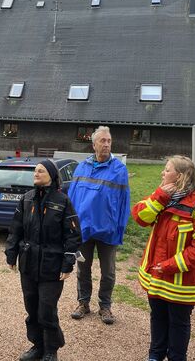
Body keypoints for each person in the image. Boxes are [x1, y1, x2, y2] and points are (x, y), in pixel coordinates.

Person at [132, 155, 195, 361]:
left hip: (181, 284)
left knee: (178, 323)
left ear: (179, 176)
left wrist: (169, 266)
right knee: (157, 318)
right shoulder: (162, 198)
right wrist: (159, 196)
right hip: (157, 278)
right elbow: (140, 218)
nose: (163, 172)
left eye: (167, 169)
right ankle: (155, 356)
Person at [5, 160, 81, 361]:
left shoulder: (62, 201)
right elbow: (16, 229)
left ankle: (51, 350)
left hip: (52, 266)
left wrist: (68, 263)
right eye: (35, 170)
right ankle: (37, 346)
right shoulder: (27, 199)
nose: (36, 173)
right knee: (31, 308)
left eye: (41, 170)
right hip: (28, 264)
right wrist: (11, 254)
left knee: (46, 309)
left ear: (51, 175)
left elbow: (73, 235)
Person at [68, 126, 130, 324]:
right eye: (102, 141)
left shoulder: (119, 169)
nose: (106, 144)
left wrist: (120, 227)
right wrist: (70, 223)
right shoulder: (82, 167)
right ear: (93, 144)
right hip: (84, 230)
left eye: (109, 141)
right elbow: (72, 197)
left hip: (108, 231)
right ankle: (83, 303)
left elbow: (124, 202)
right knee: (82, 268)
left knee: (109, 272)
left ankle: (105, 306)